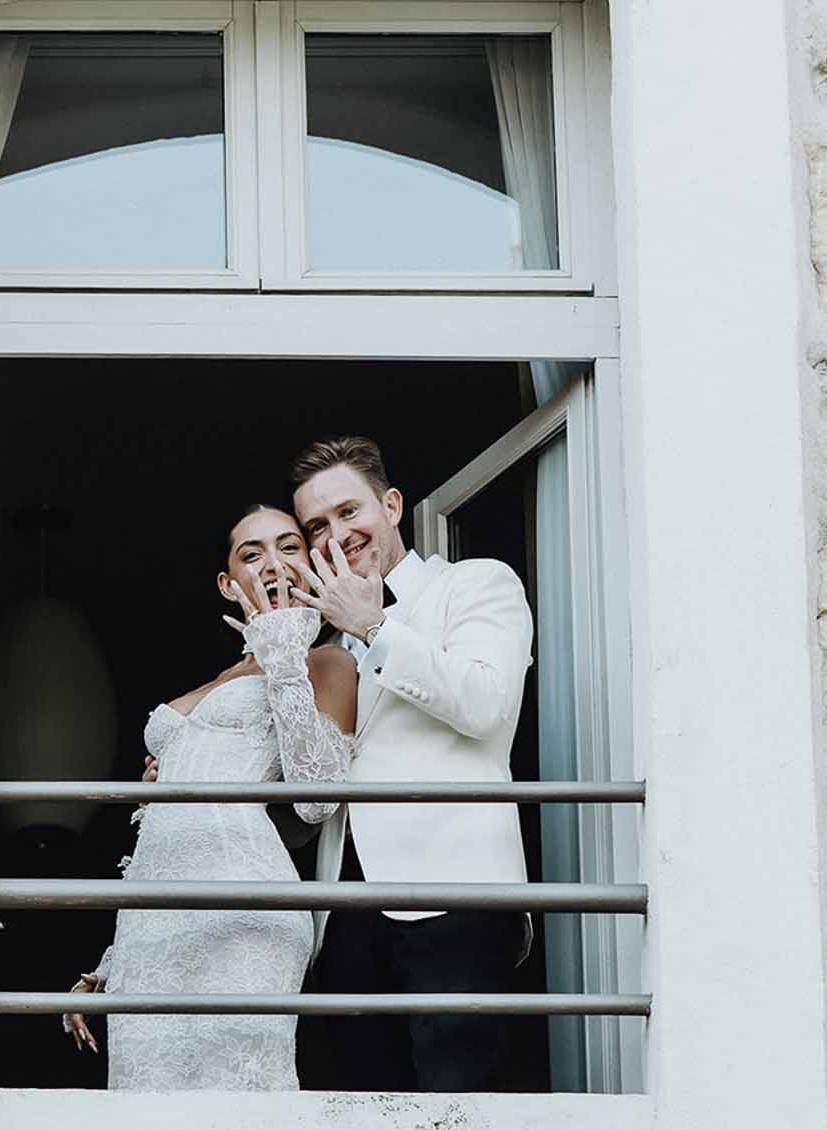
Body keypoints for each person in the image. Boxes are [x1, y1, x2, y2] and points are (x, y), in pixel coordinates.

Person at [67, 504, 356, 1090]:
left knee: (240, 1111)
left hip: (246, 905)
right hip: (156, 928)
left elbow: (317, 796)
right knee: (146, 1112)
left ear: (312, 563)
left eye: (288, 547)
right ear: (229, 585)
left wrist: (282, 655)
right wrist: (112, 961)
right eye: (252, 555)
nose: (273, 564)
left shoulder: (328, 662)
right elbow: (163, 837)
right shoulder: (217, 678)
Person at [288, 436, 533, 1094]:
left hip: (453, 898)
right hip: (344, 913)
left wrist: (376, 627)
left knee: (458, 1117)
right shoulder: (326, 647)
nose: (335, 535)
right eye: (316, 527)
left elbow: (485, 703)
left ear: (391, 505)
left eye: (348, 511)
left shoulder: (476, 583)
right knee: (357, 1127)